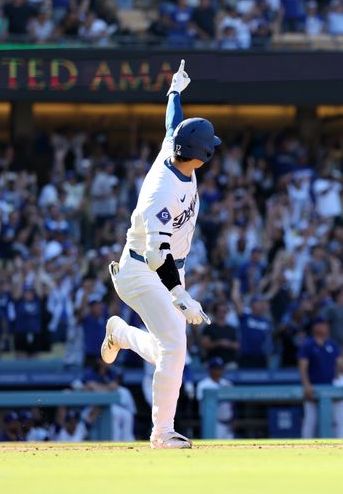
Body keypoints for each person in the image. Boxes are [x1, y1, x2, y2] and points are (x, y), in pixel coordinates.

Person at [100, 60, 221, 449]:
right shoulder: (159, 195)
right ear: (200, 155)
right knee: (175, 346)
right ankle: (161, 433)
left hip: (164, 267)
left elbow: (173, 123)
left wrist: (174, 91)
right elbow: (157, 255)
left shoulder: (176, 150)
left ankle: (120, 333)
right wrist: (180, 296)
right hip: (142, 270)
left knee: (170, 348)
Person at [298, 315, 343, 438]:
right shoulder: (308, 345)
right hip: (313, 388)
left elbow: (341, 364)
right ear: (315, 326)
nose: (326, 327)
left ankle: (342, 449)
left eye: (326, 324)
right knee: (310, 420)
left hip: (331, 388)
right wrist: (306, 384)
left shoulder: (331, 344)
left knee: (339, 419)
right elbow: (302, 367)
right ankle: (304, 449)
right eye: (323, 324)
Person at [196, 357, 234, 439]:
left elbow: (232, 405)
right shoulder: (203, 384)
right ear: (210, 370)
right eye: (216, 369)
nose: (219, 371)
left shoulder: (227, 384)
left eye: (220, 368)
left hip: (228, 423)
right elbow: (203, 404)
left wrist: (233, 420)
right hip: (213, 423)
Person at [199, 302, 239, 368]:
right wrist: (219, 343)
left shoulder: (232, 328)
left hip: (229, 362)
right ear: (215, 312)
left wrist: (228, 344)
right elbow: (204, 345)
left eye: (224, 311)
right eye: (220, 311)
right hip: (212, 360)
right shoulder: (209, 327)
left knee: (233, 366)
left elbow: (237, 345)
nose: (222, 313)